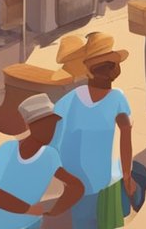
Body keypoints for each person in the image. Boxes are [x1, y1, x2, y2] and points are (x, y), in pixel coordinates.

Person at [0, 94, 83, 229]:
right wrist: (29, 209)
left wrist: (54, 211)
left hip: (19, 221)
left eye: (52, 124)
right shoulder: (8, 150)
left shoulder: (50, 156)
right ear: (29, 126)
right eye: (43, 124)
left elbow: (76, 186)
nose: (49, 129)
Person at [53, 35, 136, 229]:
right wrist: (127, 176)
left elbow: (51, 139)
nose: (109, 73)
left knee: (87, 219)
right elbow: (126, 137)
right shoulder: (116, 98)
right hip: (91, 178)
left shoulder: (70, 99)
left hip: (82, 178)